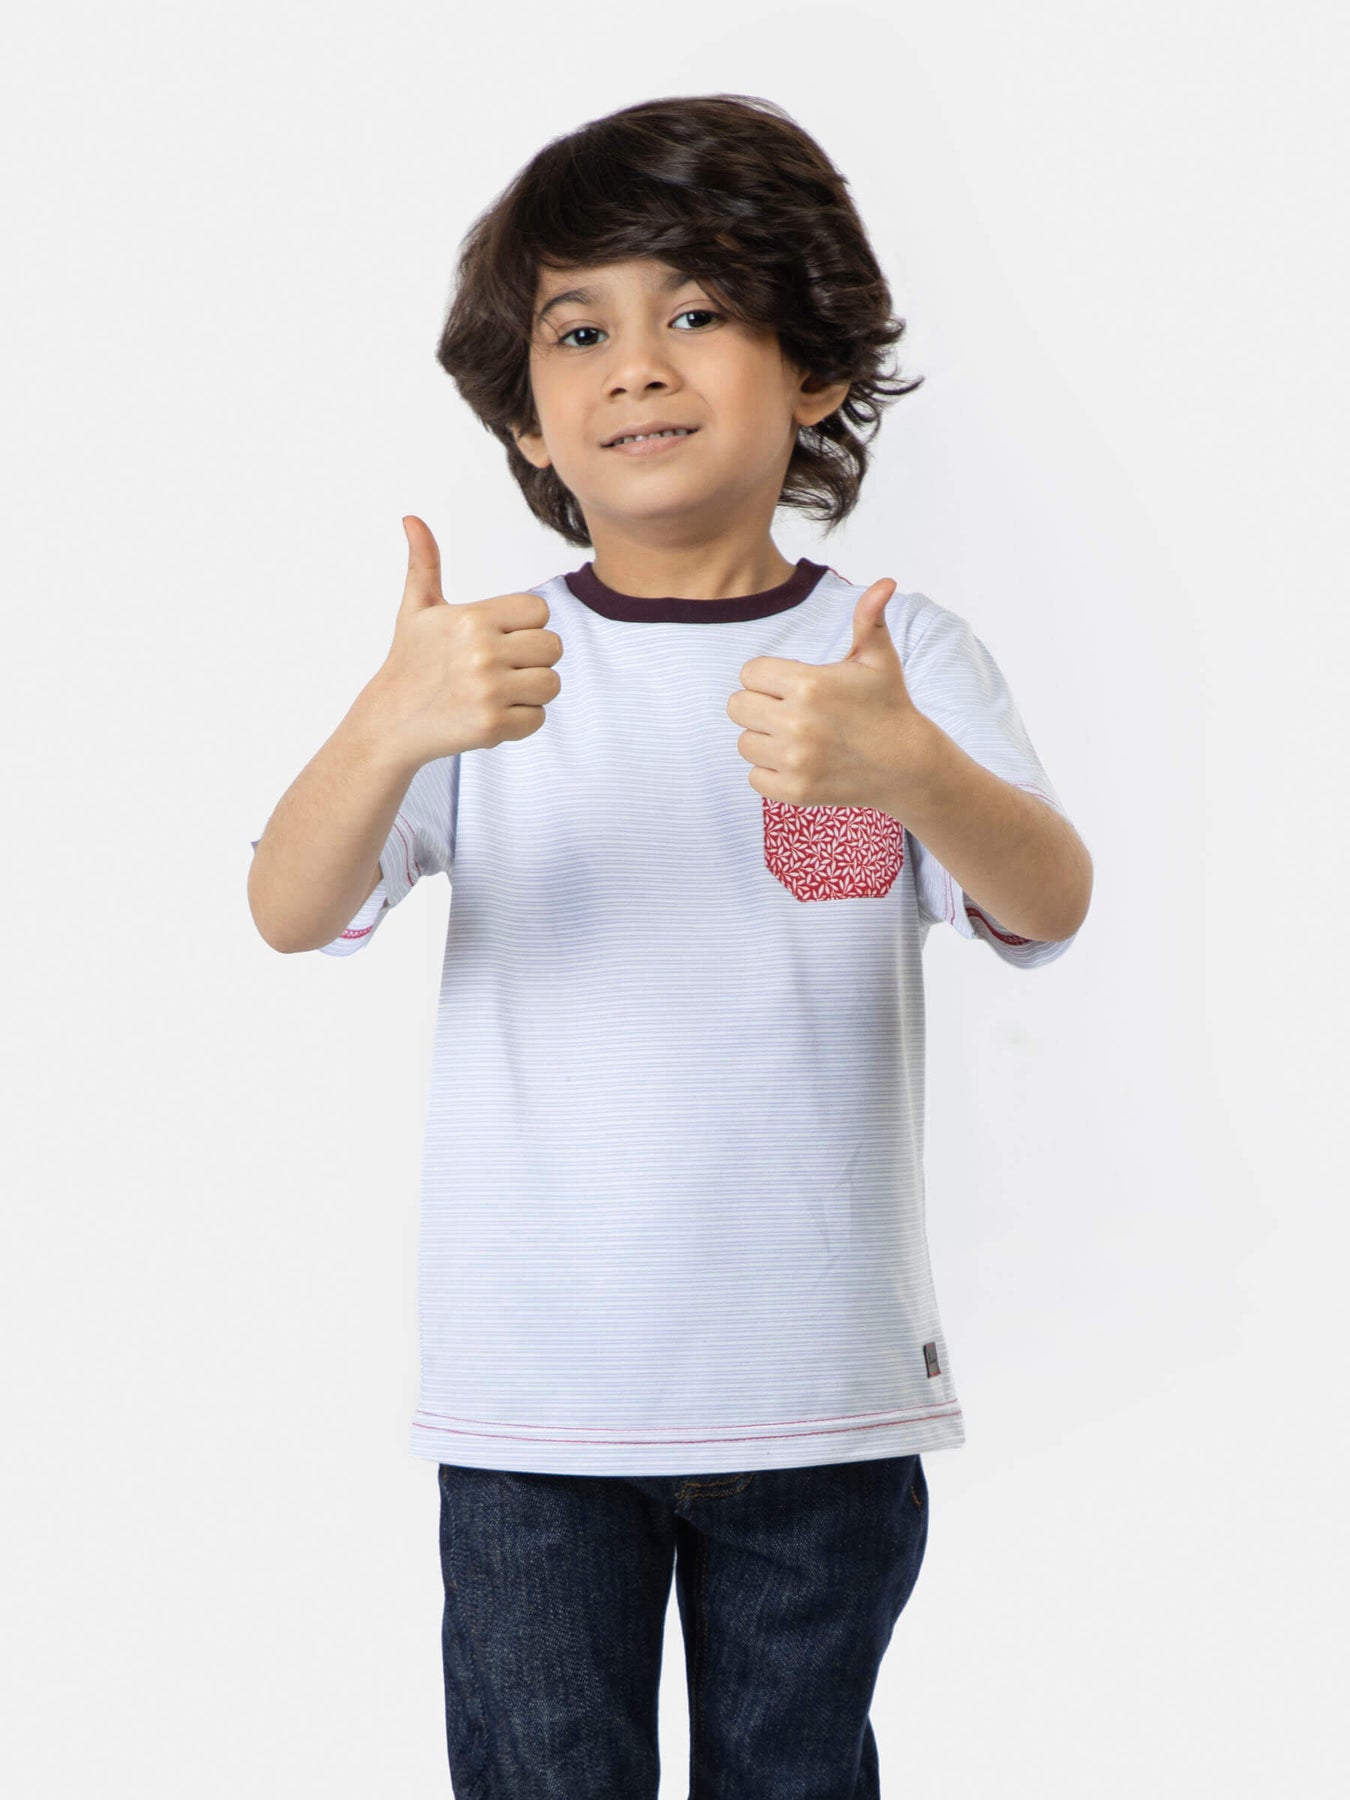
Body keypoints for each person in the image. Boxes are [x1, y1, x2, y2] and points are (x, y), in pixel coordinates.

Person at [247, 92, 1092, 1800]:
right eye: (580, 332)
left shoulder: (892, 658)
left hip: (820, 1394)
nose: (636, 365)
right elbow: (290, 909)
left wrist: (910, 770)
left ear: (814, 371)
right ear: (528, 421)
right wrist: (383, 727)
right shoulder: (480, 672)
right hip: (533, 1406)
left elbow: (1045, 904)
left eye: (696, 312)